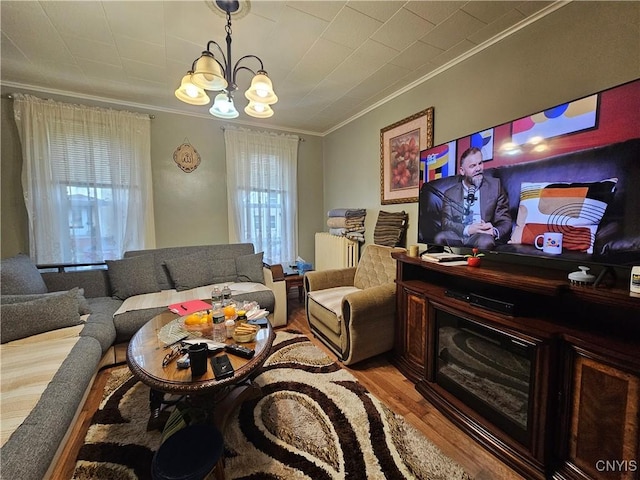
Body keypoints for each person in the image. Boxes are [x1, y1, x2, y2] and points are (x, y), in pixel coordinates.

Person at [434, 147, 511, 249]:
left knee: (486, 242)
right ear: (462, 171)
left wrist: (494, 231)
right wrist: (468, 229)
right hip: (459, 234)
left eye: (480, 163)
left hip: (482, 235)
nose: (478, 168)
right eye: (473, 166)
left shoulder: (495, 186)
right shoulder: (450, 193)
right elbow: (446, 223)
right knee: (439, 238)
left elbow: (505, 220)